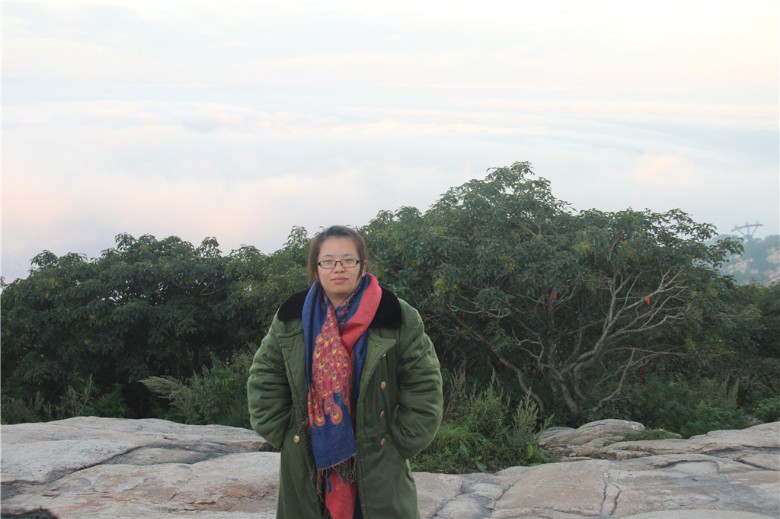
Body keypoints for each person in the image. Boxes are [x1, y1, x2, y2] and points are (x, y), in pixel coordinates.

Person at [247, 225, 443, 519]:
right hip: (308, 462)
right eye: (328, 261)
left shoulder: (396, 315)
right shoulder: (291, 317)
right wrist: (287, 435)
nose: (338, 268)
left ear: (363, 266)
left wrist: (400, 443)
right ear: (316, 269)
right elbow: (264, 378)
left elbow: (424, 385)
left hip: (379, 460)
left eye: (348, 260)